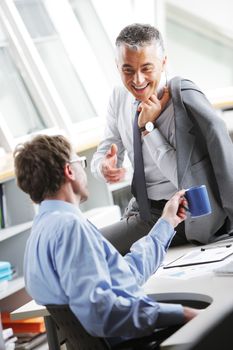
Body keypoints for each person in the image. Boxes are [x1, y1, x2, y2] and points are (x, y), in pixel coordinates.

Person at [14, 134, 199, 347]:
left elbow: (123, 277)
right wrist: (180, 313)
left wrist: (167, 223)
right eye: (80, 163)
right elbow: (102, 313)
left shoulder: (40, 232)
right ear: (70, 170)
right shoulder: (70, 229)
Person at [91, 23, 233, 254]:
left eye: (147, 68)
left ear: (164, 63)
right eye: (128, 70)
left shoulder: (182, 104)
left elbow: (184, 179)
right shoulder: (118, 98)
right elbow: (105, 151)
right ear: (117, 66)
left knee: (87, 247)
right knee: (78, 242)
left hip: (179, 214)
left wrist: (148, 129)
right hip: (140, 208)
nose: (137, 80)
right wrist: (104, 167)